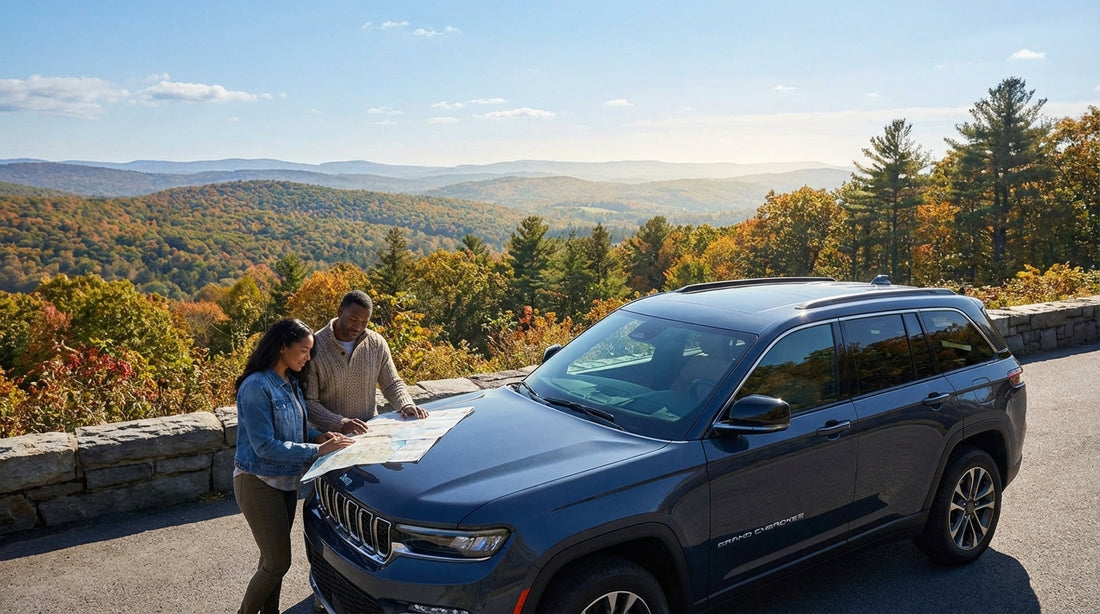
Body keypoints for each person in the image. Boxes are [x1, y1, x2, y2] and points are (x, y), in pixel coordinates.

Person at [233, 318, 354, 614]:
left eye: (310, 351)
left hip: (285, 482)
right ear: (282, 347)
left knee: (270, 561)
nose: (307, 357)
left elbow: (295, 430)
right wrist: (318, 449)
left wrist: (318, 435)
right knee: (277, 563)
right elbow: (265, 446)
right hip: (257, 481)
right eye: (303, 350)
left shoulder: (290, 382)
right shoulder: (255, 386)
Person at [305, 290, 427, 436]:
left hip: (370, 435)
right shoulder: (314, 346)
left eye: (364, 322)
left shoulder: (376, 343)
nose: (358, 327)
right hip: (331, 439)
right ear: (340, 311)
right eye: (353, 319)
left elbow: (392, 384)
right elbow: (309, 402)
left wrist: (406, 404)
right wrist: (341, 424)